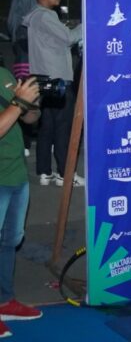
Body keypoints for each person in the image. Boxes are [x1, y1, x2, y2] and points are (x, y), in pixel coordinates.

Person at [22, 0, 83, 187]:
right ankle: (65, 174)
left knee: (47, 128)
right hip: (58, 81)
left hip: (42, 80)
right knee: (63, 129)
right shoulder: (45, 16)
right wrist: (87, 23)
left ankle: (45, 172)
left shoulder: (35, 17)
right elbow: (69, 38)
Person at [0, 73, 42, 337]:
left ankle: (4, 301)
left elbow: (28, 118)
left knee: (9, 241)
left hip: (16, 174)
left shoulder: (3, 74)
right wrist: (19, 102)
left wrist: (32, 103)